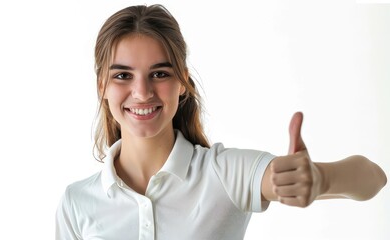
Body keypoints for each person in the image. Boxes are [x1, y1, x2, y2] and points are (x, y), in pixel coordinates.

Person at [56, 4, 387, 240]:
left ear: (182, 83)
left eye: (160, 73)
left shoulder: (224, 173)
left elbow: (373, 178)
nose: (142, 93)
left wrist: (321, 179)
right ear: (102, 85)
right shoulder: (77, 202)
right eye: (123, 75)